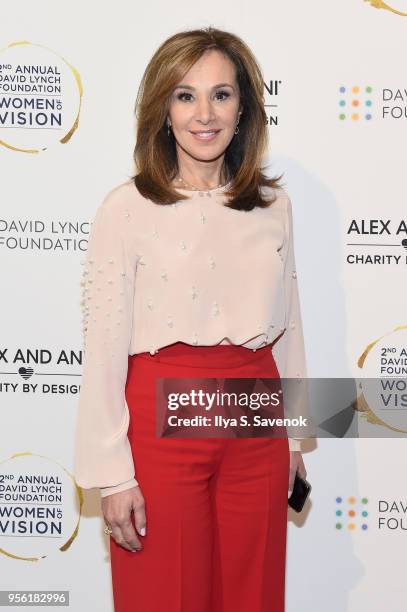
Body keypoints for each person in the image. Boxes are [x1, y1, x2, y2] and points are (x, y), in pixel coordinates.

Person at [74, 26, 310, 612]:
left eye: (221, 95)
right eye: (185, 95)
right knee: (165, 594)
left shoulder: (274, 206)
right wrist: (113, 474)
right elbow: (103, 346)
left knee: (253, 593)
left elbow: (290, 329)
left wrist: (298, 439)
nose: (204, 114)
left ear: (244, 108)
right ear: (163, 109)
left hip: (257, 418)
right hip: (161, 419)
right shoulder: (125, 208)